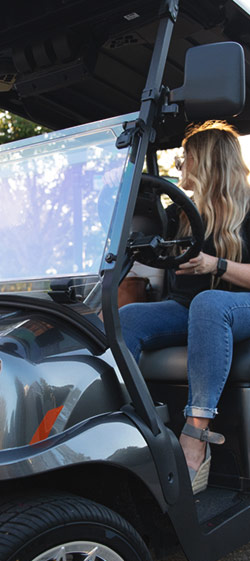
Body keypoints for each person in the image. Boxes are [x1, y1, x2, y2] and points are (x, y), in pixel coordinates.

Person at [120, 121, 250, 494]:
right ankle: (126, 425)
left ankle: (196, 438)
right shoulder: (181, 213)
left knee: (210, 303)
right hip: (188, 307)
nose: (180, 167)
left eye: (186, 159)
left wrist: (217, 265)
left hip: (235, 306)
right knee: (127, 317)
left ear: (208, 161)